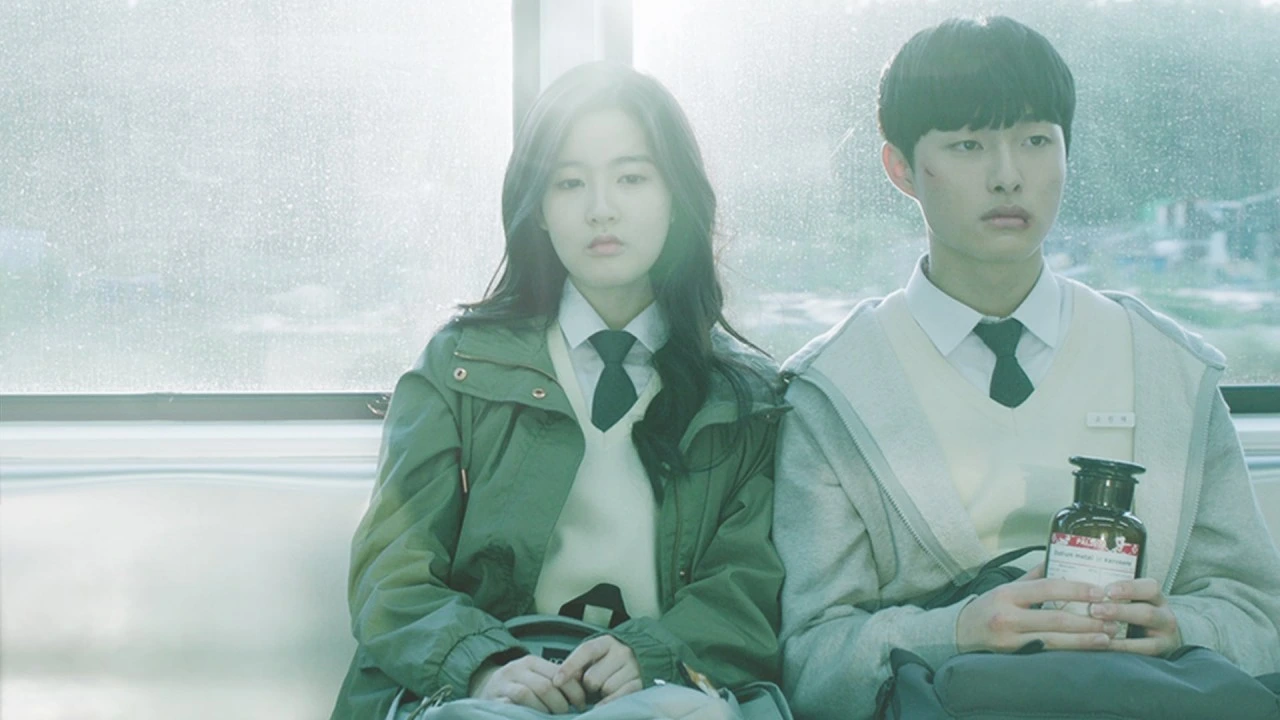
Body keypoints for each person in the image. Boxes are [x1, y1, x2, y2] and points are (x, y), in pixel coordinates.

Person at [772, 16, 1280, 720]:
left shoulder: (1169, 367)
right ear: (900, 168)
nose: (1009, 175)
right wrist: (956, 632)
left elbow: (1257, 615)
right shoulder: (836, 387)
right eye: (969, 145)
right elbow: (810, 659)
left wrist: (1178, 629)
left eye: (1036, 141)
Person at [329, 61, 786, 720]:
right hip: (489, 692)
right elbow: (391, 569)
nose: (601, 208)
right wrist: (483, 666)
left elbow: (747, 588)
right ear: (539, 209)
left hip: (658, 693)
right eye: (569, 182)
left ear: (676, 197)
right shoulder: (457, 366)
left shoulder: (745, 397)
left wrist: (654, 655)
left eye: (632, 177)